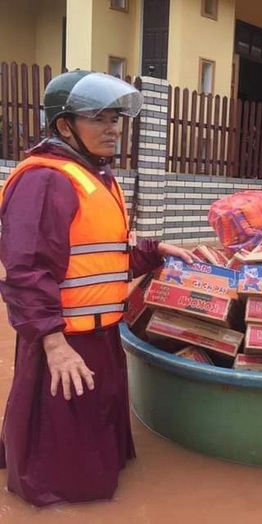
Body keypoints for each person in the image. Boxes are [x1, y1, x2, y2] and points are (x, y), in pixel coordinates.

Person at [0, 70, 194, 507]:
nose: (113, 129)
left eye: (115, 118)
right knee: (65, 479)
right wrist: (54, 344)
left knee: (99, 453)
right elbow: (26, 271)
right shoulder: (46, 180)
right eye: (98, 119)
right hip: (65, 341)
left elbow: (103, 258)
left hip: (101, 336)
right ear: (64, 126)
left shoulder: (97, 176)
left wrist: (154, 251)